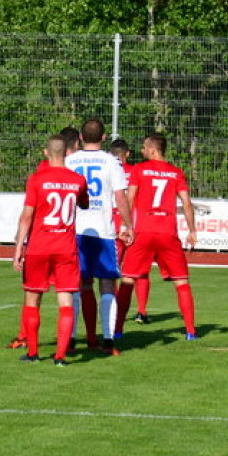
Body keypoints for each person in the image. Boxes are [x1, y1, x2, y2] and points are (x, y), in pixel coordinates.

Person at [12, 134, 89, 366]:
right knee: (65, 301)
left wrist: (18, 248)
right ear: (67, 153)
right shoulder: (77, 180)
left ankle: (33, 353)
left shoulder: (36, 179)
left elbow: (27, 216)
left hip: (39, 247)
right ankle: (60, 357)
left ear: (46, 153)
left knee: (32, 298)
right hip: (65, 248)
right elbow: (84, 203)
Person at [114, 133, 199, 340]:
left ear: (153, 150)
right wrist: (192, 230)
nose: (142, 151)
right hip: (167, 233)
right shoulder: (176, 173)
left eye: (144, 147)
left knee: (127, 280)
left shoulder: (139, 170)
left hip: (142, 232)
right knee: (181, 282)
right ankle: (190, 331)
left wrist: (126, 226)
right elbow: (187, 203)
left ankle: (117, 331)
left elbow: (130, 198)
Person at [66, 118, 133, 356]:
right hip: (103, 231)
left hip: (76, 231)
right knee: (106, 285)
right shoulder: (111, 161)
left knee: (77, 286)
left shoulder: (70, 160)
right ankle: (107, 341)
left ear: (81, 138)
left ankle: (71, 340)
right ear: (103, 137)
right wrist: (128, 224)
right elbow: (120, 196)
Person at [110, 138, 151, 323]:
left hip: (112, 224)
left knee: (113, 271)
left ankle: (115, 310)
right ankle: (142, 311)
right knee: (140, 271)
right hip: (134, 224)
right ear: (127, 154)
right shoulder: (136, 170)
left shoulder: (108, 170)